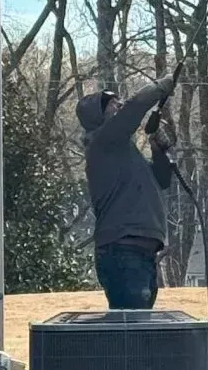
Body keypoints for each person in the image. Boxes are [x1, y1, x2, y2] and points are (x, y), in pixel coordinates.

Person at [77, 71, 180, 311]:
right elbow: (133, 110)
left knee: (137, 336)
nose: (120, 104)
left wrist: (158, 149)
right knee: (132, 338)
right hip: (123, 255)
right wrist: (159, 87)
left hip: (139, 256)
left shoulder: (124, 153)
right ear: (98, 118)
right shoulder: (102, 143)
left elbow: (162, 181)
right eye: (113, 104)